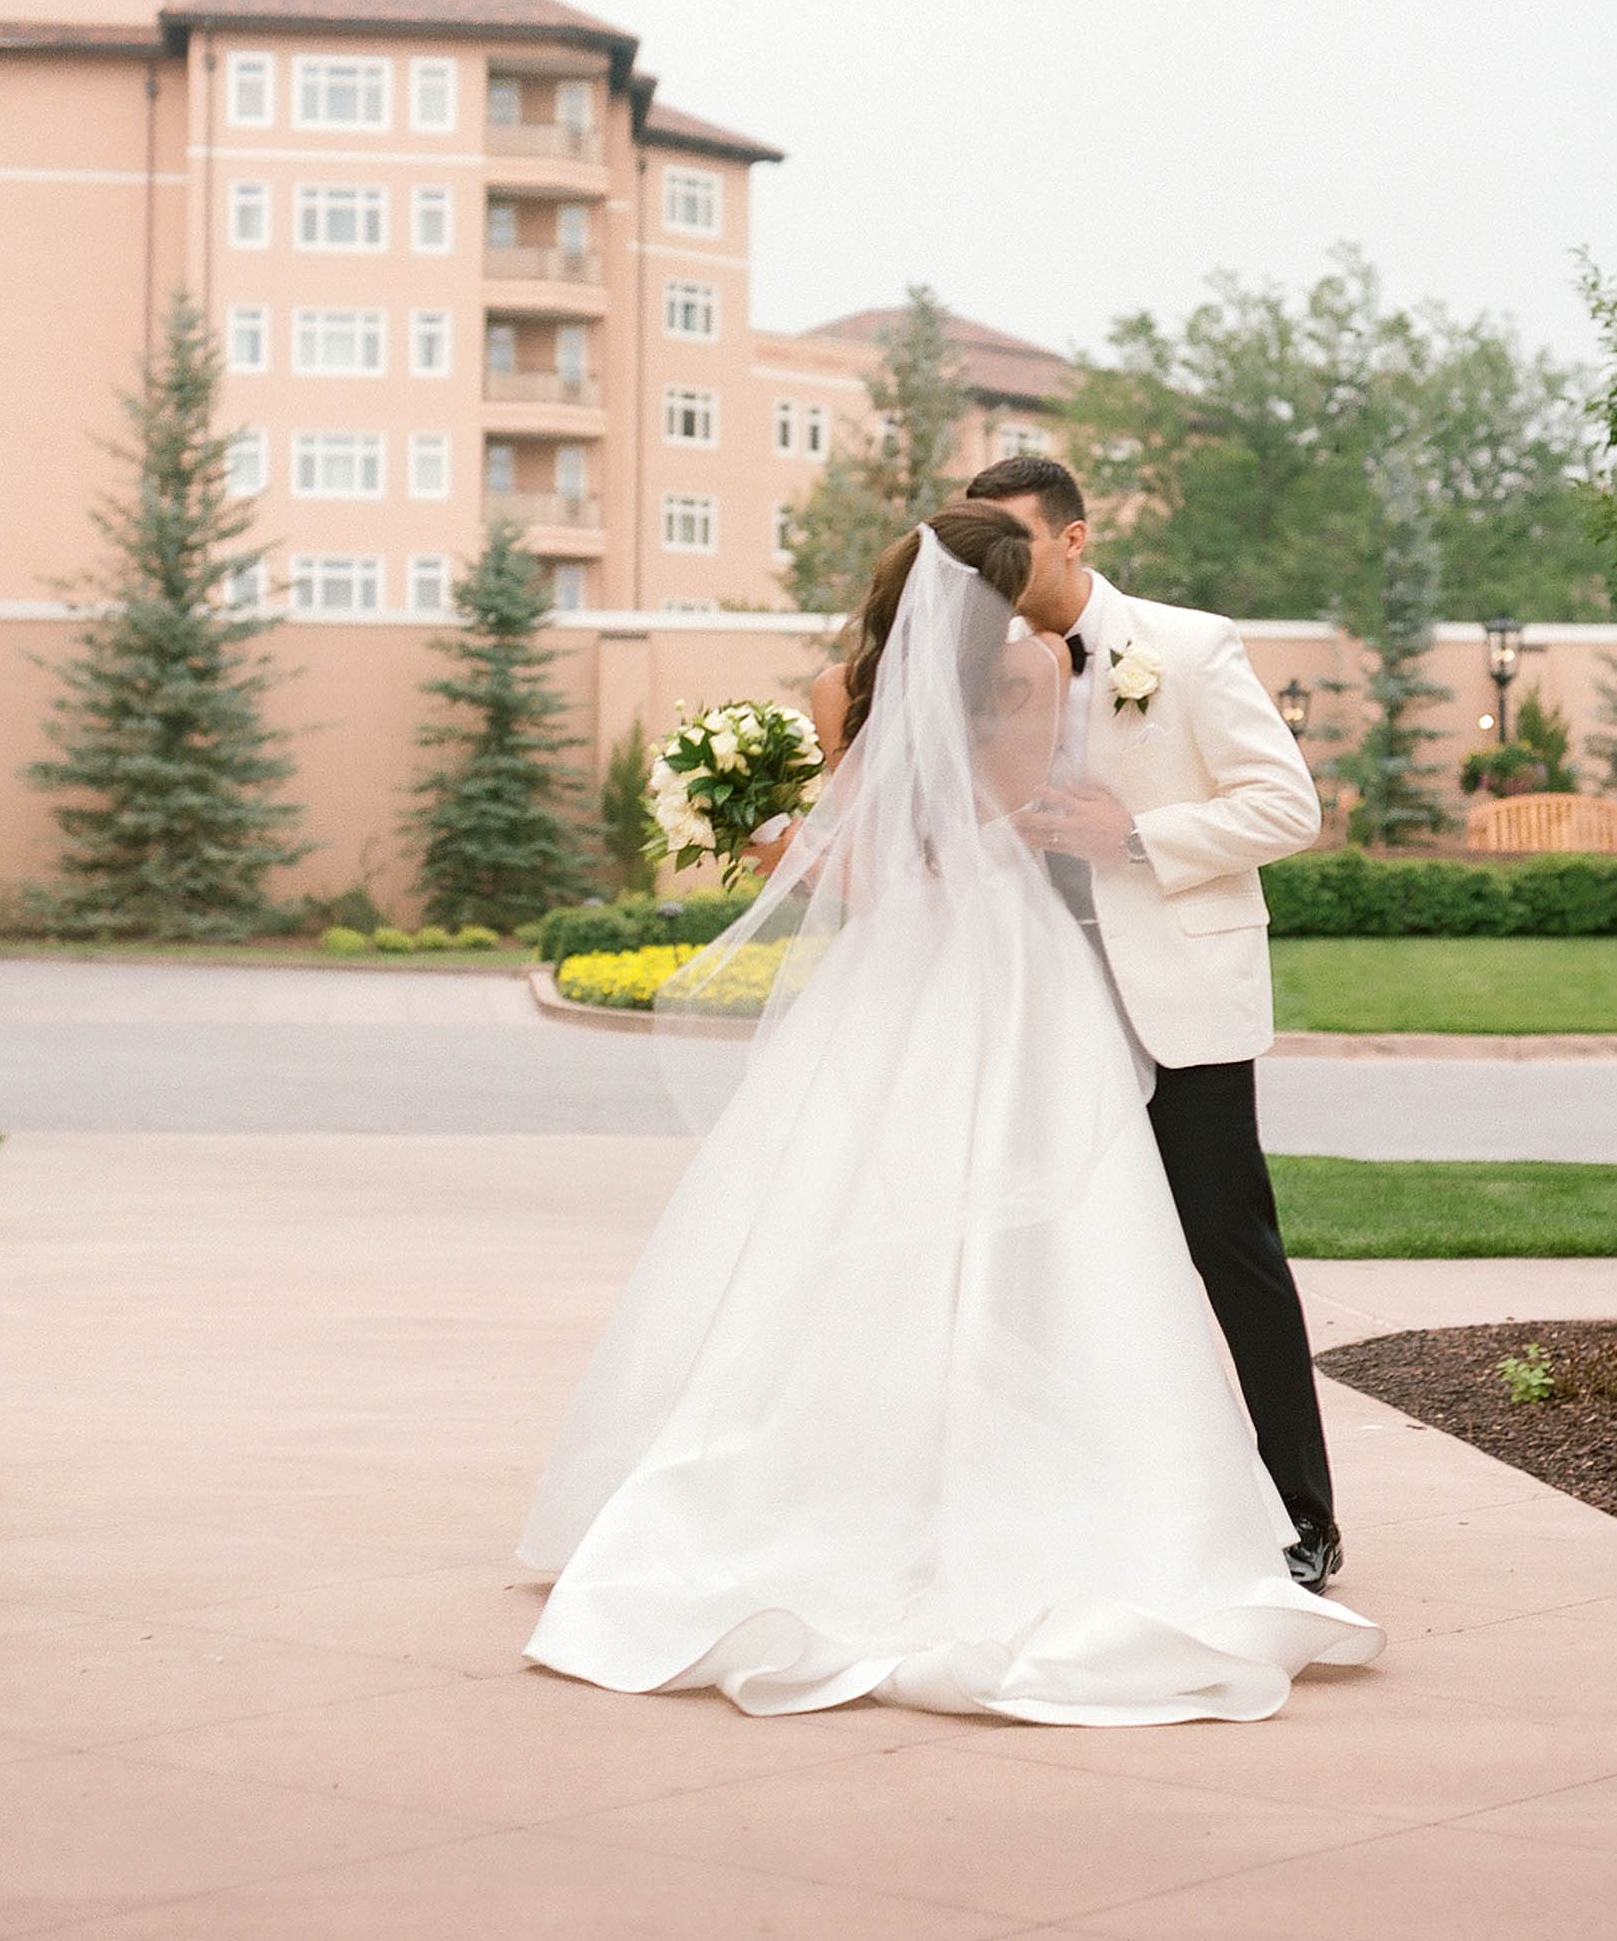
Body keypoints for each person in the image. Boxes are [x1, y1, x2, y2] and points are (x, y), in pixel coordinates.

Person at [515, 502, 1379, 1723]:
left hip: (950, 979)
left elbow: (866, 872)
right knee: (1071, 1248)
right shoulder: (1031, 672)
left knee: (902, 1227)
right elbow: (1009, 834)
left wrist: (772, 836)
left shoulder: (855, 688)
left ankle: (1277, 1512)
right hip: (1021, 972)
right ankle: (1106, 1500)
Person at [965, 453, 1347, 1592]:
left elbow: (1287, 808)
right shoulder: (977, 670)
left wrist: (1131, 837)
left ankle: (1304, 1516)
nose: (994, 567)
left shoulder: (1184, 647)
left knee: (1233, 1254)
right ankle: (1083, 1501)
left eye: (1015, 544)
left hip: (1180, 1000)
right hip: (1042, 1000)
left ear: (1074, 539)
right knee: (1056, 1258)